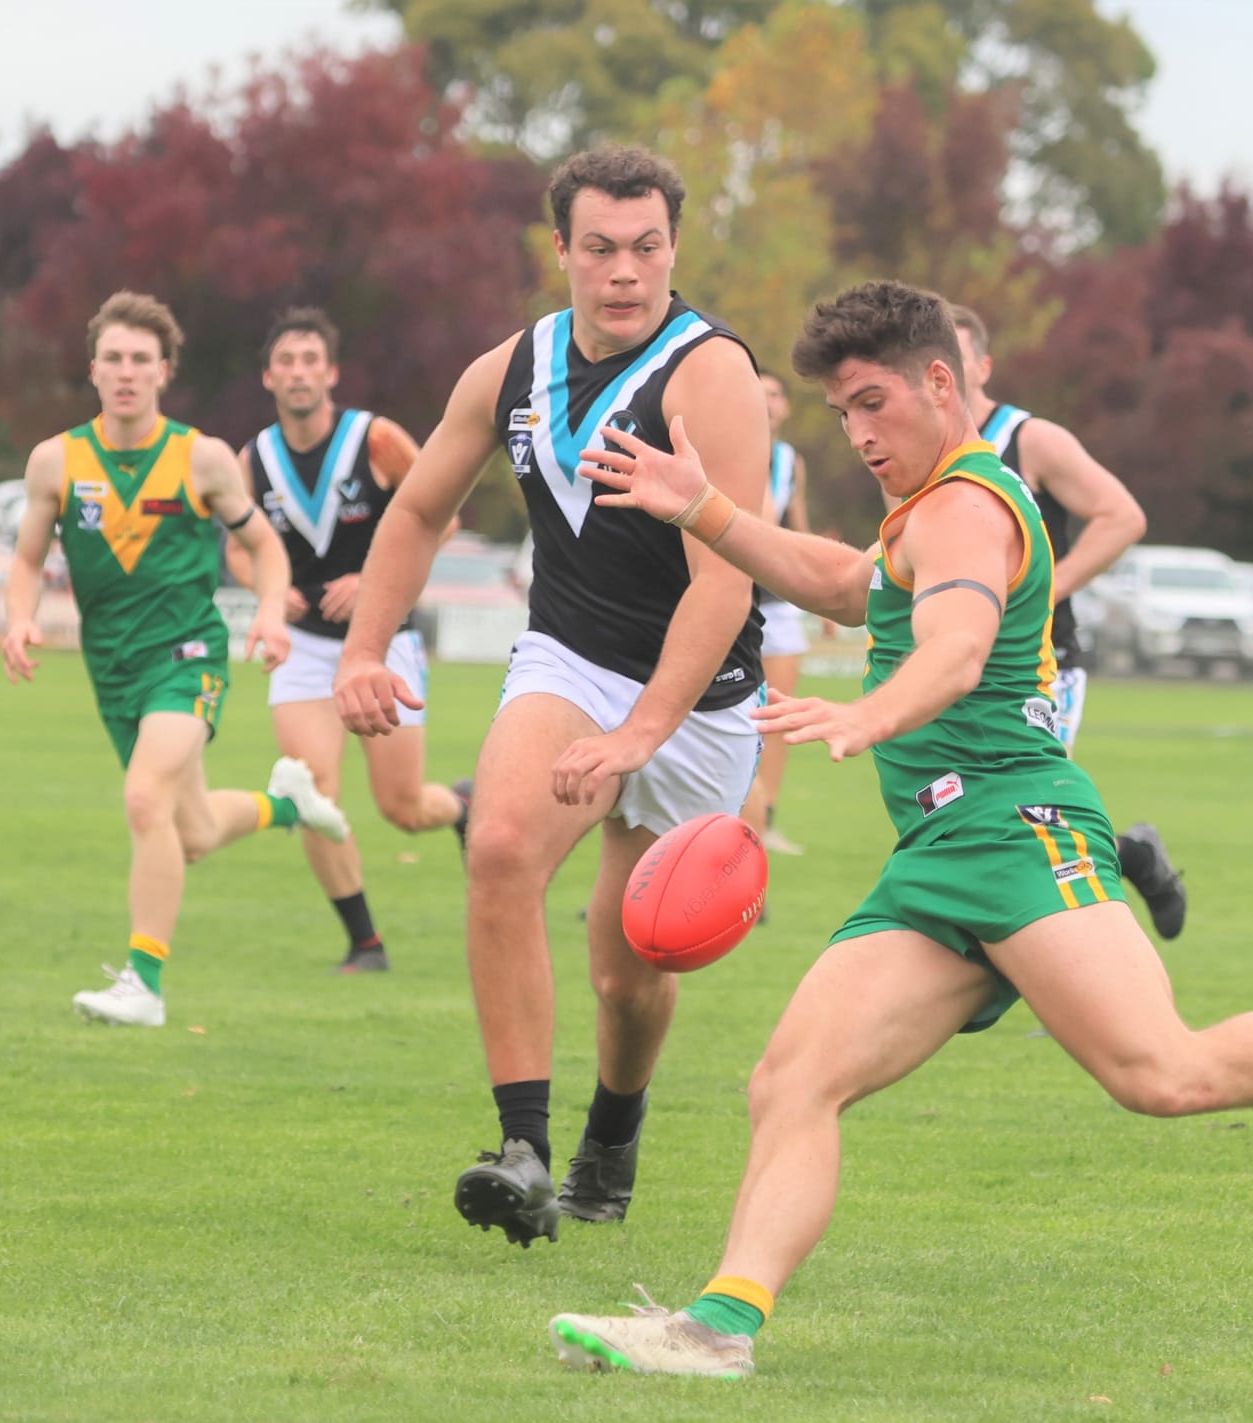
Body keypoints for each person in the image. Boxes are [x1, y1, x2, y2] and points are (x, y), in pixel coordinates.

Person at [546, 280, 1253, 1378]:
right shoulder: (920, 506)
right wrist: (704, 508)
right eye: (840, 413)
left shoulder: (967, 504)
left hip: (1015, 827)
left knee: (1162, 1074)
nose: (857, 433)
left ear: (938, 382)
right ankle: (718, 1327)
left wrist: (867, 710)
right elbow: (852, 584)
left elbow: (954, 649)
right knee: (791, 1080)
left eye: (871, 403)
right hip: (938, 859)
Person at [332, 146, 769, 1246]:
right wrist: (364, 648)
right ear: (561, 251)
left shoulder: (709, 372)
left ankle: (608, 1138)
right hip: (570, 661)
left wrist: (642, 734)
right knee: (500, 844)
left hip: (699, 699)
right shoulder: (507, 369)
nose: (625, 272)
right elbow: (419, 509)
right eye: (601, 249)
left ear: (673, 247)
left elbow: (728, 579)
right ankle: (521, 1150)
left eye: (648, 248)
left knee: (629, 976)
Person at [3, 290, 352, 1028]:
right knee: (186, 832)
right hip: (113, 670)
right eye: (113, 359)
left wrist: (267, 610)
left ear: (164, 371)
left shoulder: (203, 458)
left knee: (142, 800)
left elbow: (263, 545)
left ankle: (145, 982)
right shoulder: (55, 461)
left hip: (188, 659)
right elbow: (28, 558)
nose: (126, 373)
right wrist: (18, 620)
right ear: (92, 369)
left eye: (141, 360)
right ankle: (290, 803)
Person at [224, 307, 469, 975]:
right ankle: (365, 943)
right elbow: (241, 550)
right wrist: (272, 596)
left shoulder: (376, 439)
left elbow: (442, 517)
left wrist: (372, 580)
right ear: (269, 376)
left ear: (330, 373)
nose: (299, 372)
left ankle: (462, 806)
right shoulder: (255, 458)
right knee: (311, 792)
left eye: (312, 360)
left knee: (403, 806)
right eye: (287, 362)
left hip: (383, 639)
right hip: (302, 648)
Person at [948, 302, 1188, 939]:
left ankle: (1081, 943)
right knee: (973, 806)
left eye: (957, 355)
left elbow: (1121, 516)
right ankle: (1120, 865)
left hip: (1040, 660)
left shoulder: (1030, 438)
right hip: (958, 658)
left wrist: (1048, 587)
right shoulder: (921, 451)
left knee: (1037, 809)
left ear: (982, 365)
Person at [740, 372, 813, 859]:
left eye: (775, 394)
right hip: (731, 600)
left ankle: (765, 823)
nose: (768, 403)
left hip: (777, 605)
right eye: (758, 394)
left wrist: (818, 590)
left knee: (778, 717)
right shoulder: (725, 444)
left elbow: (796, 527)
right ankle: (725, 821)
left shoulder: (790, 462)